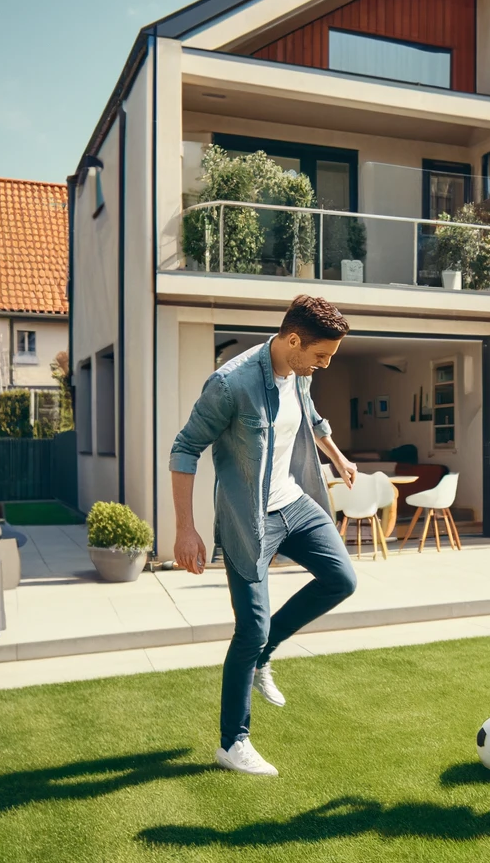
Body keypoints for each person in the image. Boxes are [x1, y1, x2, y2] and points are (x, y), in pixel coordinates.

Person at [169, 295, 360, 777]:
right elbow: (185, 448)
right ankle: (233, 743)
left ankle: (263, 656)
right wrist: (185, 528)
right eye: (322, 355)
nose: (325, 364)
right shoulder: (230, 384)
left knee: (342, 579)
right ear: (293, 340)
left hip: (294, 501)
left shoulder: (300, 373)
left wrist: (337, 456)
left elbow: (311, 419)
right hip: (247, 517)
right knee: (250, 630)